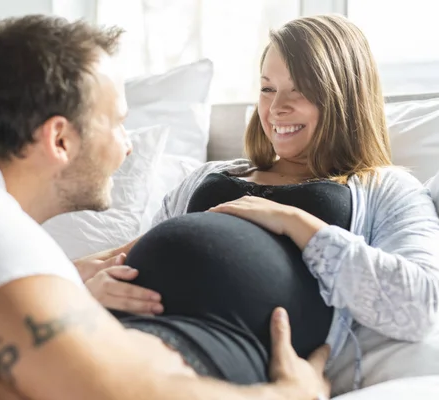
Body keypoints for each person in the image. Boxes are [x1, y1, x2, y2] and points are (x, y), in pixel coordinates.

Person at [0, 14, 331, 400]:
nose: (127, 147)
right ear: (59, 139)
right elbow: (115, 391)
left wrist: (65, 281)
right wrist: (289, 393)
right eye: (118, 124)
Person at [88, 13, 439, 389]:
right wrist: (95, 287)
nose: (276, 109)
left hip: (219, 347)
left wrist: (297, 223)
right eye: (268, 88)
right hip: (122, 327)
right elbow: (125, 256)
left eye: (300, 90)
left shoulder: (387, 188)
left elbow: (420, 306)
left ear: (344, 96)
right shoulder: (205, 176)